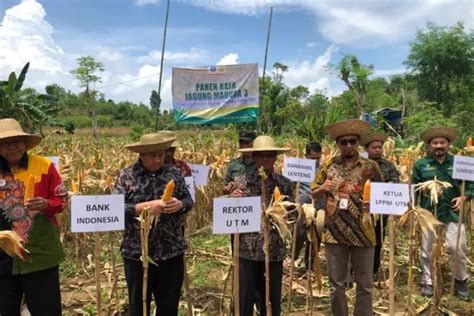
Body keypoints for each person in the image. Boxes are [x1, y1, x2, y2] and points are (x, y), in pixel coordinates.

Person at [114, 133, 193, 315]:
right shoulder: (126, 176)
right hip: (137, 253)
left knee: (168, 305)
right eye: (153, 156)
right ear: (141, 155)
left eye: (161, 155)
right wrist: (143, 207)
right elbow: (115, 209)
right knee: (138, 305)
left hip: (170, 251)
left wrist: (180, 205)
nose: (158, 160)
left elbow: (188, 200)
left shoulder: (174, 173)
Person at [311, 119, 383, 316]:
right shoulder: (329, 165)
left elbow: (383, 194)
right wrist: (323, 188)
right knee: (336, 285)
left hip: (365, 232)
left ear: (359, 142)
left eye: (352, 141)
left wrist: (374, 203)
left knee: (365, 285)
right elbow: (314, 192)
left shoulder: (370, 166)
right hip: (335, 232)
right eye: (344, 142)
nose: (348, 145)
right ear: (338, 144)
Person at [0, 118, 67, 315]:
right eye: (5, 142)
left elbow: (62, 199)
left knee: (46, 309)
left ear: (25, 143)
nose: (12, 147)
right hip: (2, 255)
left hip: (40, 252)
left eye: (17, 141)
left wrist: (47, 204)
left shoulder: (44, 166)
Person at [229, 135, 295, 316]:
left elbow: (293, 216)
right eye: (261, 155)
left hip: (273, 252)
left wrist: (281, 213)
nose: (265, 159)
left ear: (275, 157)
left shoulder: (285, 184)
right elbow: (229, 210)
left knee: (271, 302)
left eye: (270, 155)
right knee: (244, 301)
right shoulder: (242, 182)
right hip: (246, 250)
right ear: (253, 157)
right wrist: (233, 199)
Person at [412, 127, 472, 300]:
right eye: (435, 142)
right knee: (427, 249)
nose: (439, 145)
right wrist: (415, 210)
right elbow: (414, 188)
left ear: (448, 144)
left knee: (457, 247)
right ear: (429, 145)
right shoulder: (421, 164)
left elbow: (471, 185)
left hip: (453, 213)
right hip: (428, 214)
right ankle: (428, 281)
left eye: (442, 142)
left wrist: (464, 197)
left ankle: (461, 280)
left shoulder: (460, 163)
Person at [361, 133, 400, 280]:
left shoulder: (389, 166)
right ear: (367, 148)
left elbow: (395, 184)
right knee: (359, 239)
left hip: (380, 210)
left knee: (377, 239)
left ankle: (374, 269)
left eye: (380, 147)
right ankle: (355, 269)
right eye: (374, 147)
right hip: (362, 209)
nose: (378, 150)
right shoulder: (360, 164)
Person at [293, 141, 323, 269]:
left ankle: (309, 264)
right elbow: (290, 186)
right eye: (312, 158)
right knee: (299, 233)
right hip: (302, 207)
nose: (316, 161)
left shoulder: (323, 170)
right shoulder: (299, 168)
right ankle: (292, 258)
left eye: (318, 158)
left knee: (316, 235)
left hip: (318, 206)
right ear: (306, 156)